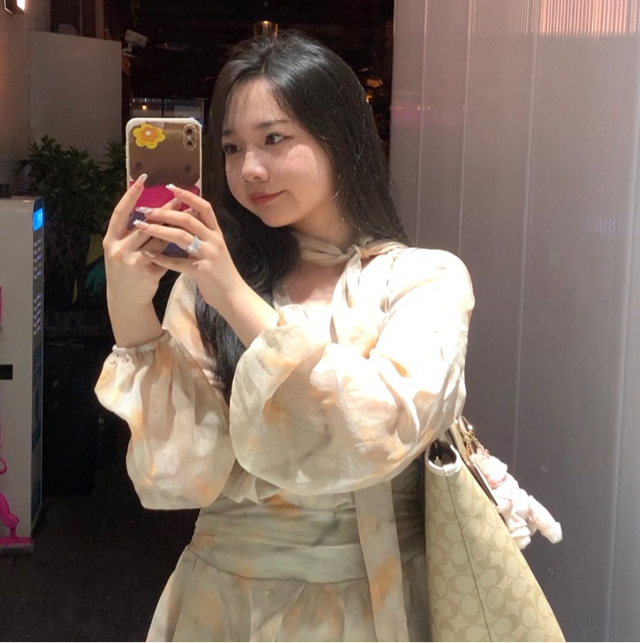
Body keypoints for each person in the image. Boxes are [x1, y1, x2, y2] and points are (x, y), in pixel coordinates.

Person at [95, 30, 474, 642]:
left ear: (340, 136)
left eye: (274, 139)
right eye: (231, 147)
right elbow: (175, 477)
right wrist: (130, 308)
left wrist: (234, 296)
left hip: (370, 607)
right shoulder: (205, 287)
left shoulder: (423, 279)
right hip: (223, 604)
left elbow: (376, 431)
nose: (250, 169)